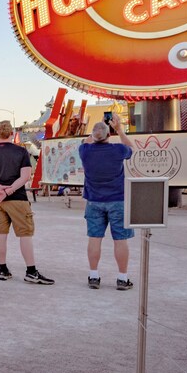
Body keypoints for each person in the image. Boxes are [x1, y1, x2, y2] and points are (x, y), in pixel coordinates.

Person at [0, 120, 54, 285]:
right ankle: (31, 271)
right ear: (12, 133)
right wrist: (8, 190)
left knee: (0, 234)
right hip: (17, 198)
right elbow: (25, 176)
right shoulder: (21, 152)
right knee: (25, 234)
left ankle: (3, 269)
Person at [78, 114, 135, 290]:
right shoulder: (118, 150)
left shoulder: (85, 151)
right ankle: (122, 278)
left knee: (94, 238)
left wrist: (99, 128)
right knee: (120, 240)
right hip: (118, 200)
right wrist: (118, 129)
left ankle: (93, 276)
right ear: (109, 135)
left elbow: (88, 141)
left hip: (94, 200)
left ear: (93, 136)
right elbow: (131, 148)